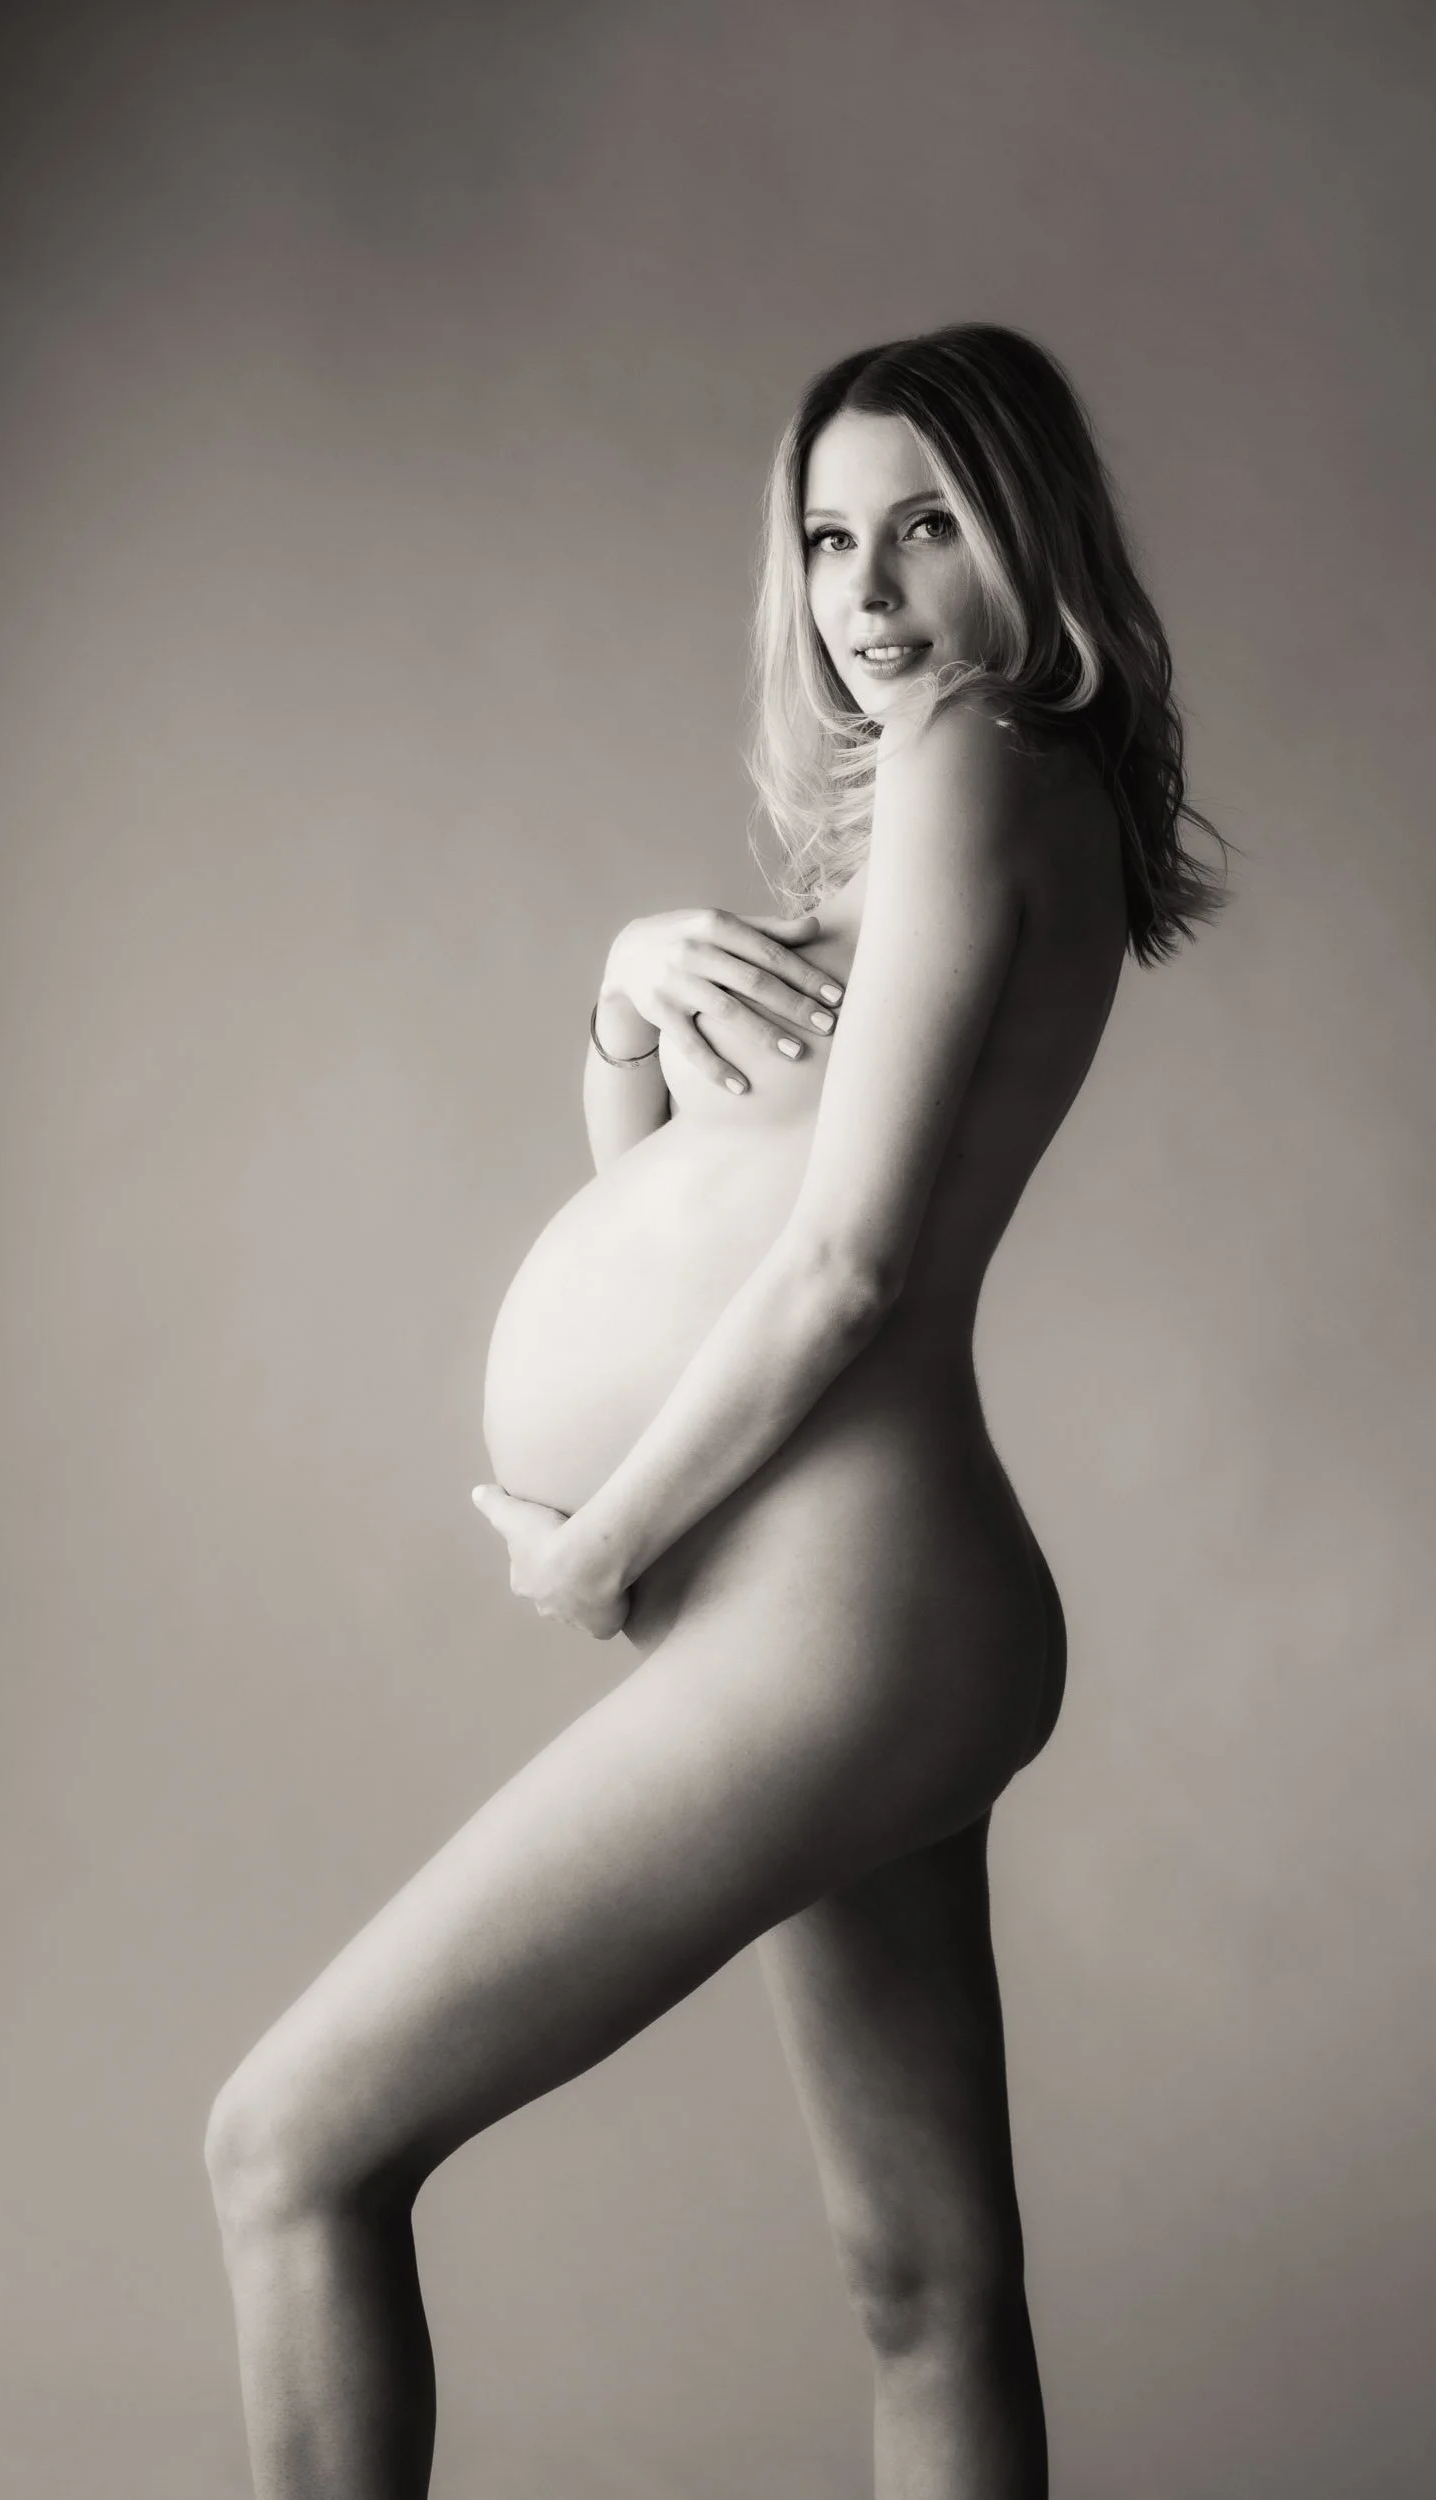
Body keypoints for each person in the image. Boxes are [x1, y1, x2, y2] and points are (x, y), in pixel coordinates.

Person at [205, 322, 1227, 2500]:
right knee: (927, 2281)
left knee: (288, 2141)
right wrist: (623, 987)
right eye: (831, 536)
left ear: (1029, 542)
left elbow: (845, 1269)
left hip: (839, 1601)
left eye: (927, 526)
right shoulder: (936, 834)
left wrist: (598, 1541)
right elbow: (654, 1195)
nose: (867, 587)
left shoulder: (978, 761)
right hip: (859, 1595)